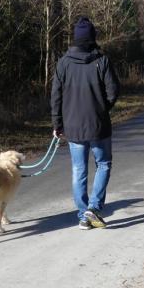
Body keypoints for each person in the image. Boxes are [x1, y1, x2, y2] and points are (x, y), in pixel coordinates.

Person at [51, 17, 120, 230]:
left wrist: (57, 124)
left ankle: (83, 214)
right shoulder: (102, 60)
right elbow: (113, 91)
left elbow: (56, 96)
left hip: (73, 126)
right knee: (104, 164)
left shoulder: (63, 62)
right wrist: (102, 109)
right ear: (92, 38)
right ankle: (93, 208)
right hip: (98, 124)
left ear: (75, 38)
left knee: (79, 169)